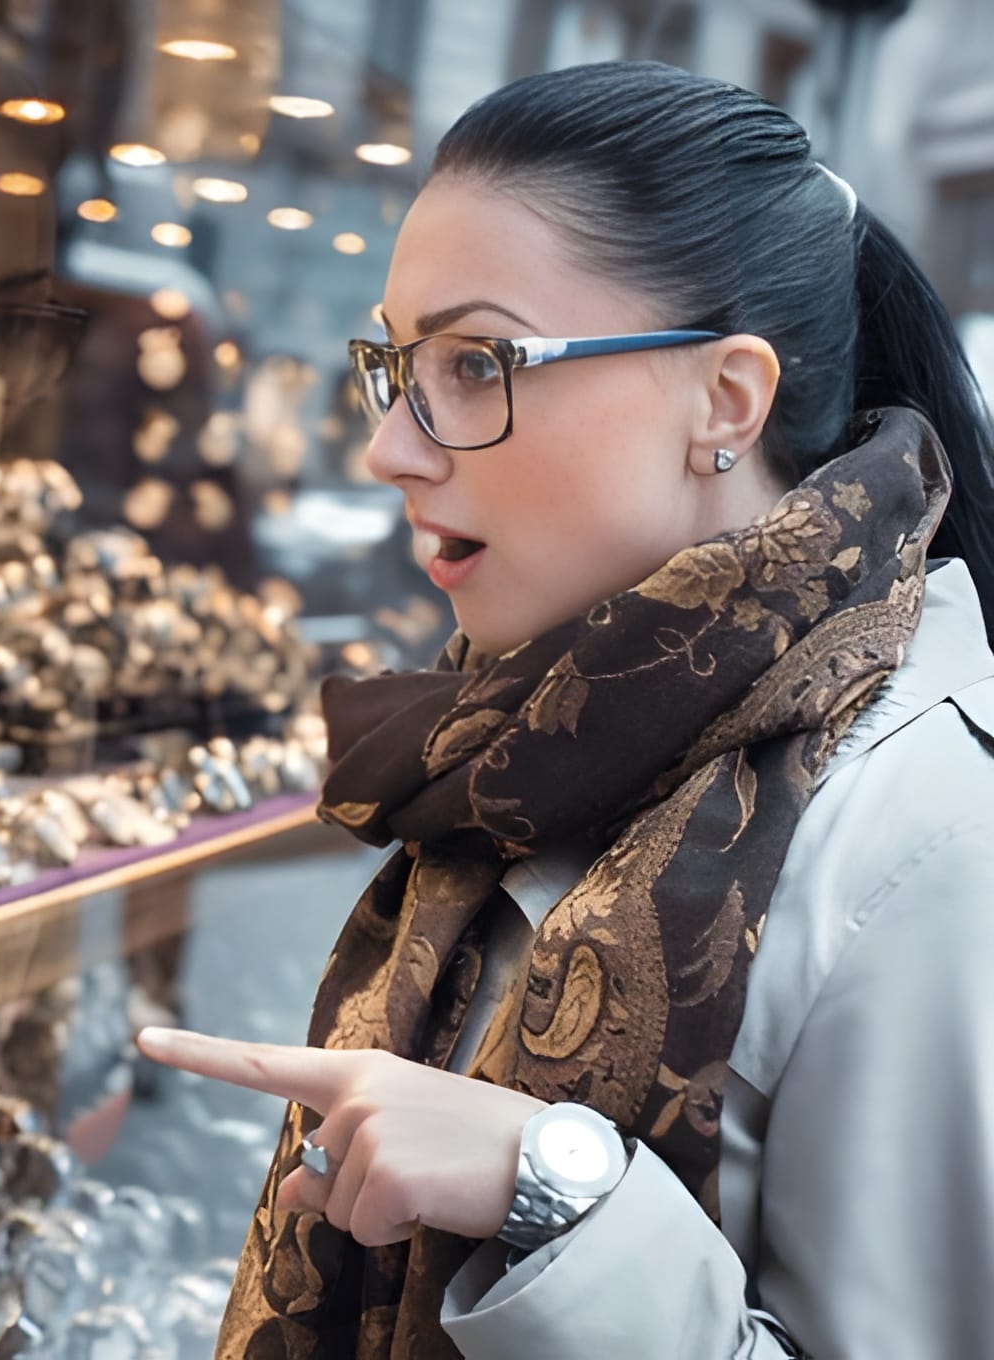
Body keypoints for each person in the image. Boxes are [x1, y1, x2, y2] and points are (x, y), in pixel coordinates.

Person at [137, 60, 994, 1359]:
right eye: (399, 365)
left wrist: (558, 1193)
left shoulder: (931, 832)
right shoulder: (528, 731)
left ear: (726, 401)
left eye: (477, 364)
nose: (390, 448)